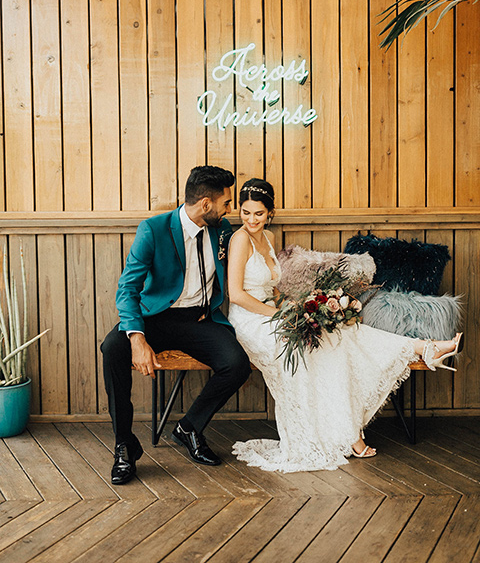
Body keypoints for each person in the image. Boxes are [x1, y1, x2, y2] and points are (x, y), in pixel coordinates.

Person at [227, 178, 463, 472]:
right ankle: (353, 432)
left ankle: (423, 348)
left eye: (258, 214)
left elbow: (273, 287)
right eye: (246, 212)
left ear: (270, 212)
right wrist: (277, 313)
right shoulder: (239, 240)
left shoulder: (270, 238)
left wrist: (292, 304)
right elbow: (236, 295)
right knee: (313, 347)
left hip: (273, 312)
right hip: (250, 321)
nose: (251, 220)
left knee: (338, 334)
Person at [101, 166, 251, 484]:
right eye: (226, 203)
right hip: (155, 318)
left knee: (237, 365)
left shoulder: (221, 230)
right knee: (113, 347)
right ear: (206, 204)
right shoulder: (153, 230)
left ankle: (190, 426)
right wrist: (137, 338)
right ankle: (124, 445)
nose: (230, 210)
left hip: (198, 319)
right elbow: (127, 288)